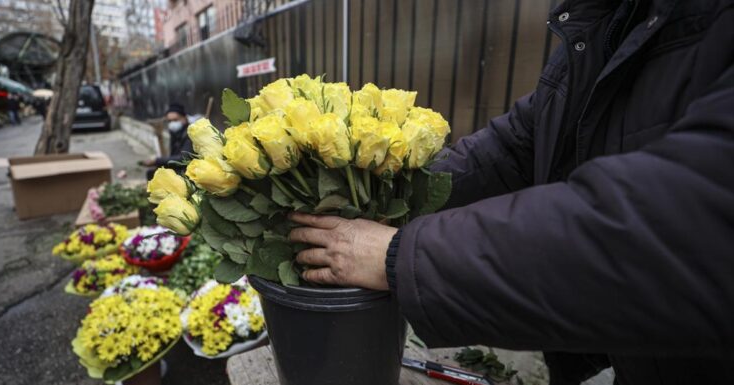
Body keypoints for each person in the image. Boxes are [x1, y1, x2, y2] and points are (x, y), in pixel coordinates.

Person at [289, 1, 734, 384]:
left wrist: (399, 257)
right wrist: (388, 195)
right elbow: (519, 143)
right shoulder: (618, 18)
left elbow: (684, 228)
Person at [141, 102, 194, 180]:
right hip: (179, 167)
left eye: (175, 120)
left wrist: (157, 160)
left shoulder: (190, 134)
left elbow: (183, 159)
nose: (172, 123)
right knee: (152, 172)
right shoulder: (175, 133)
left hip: (188, 170)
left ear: (184, 118)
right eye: (170, 121)